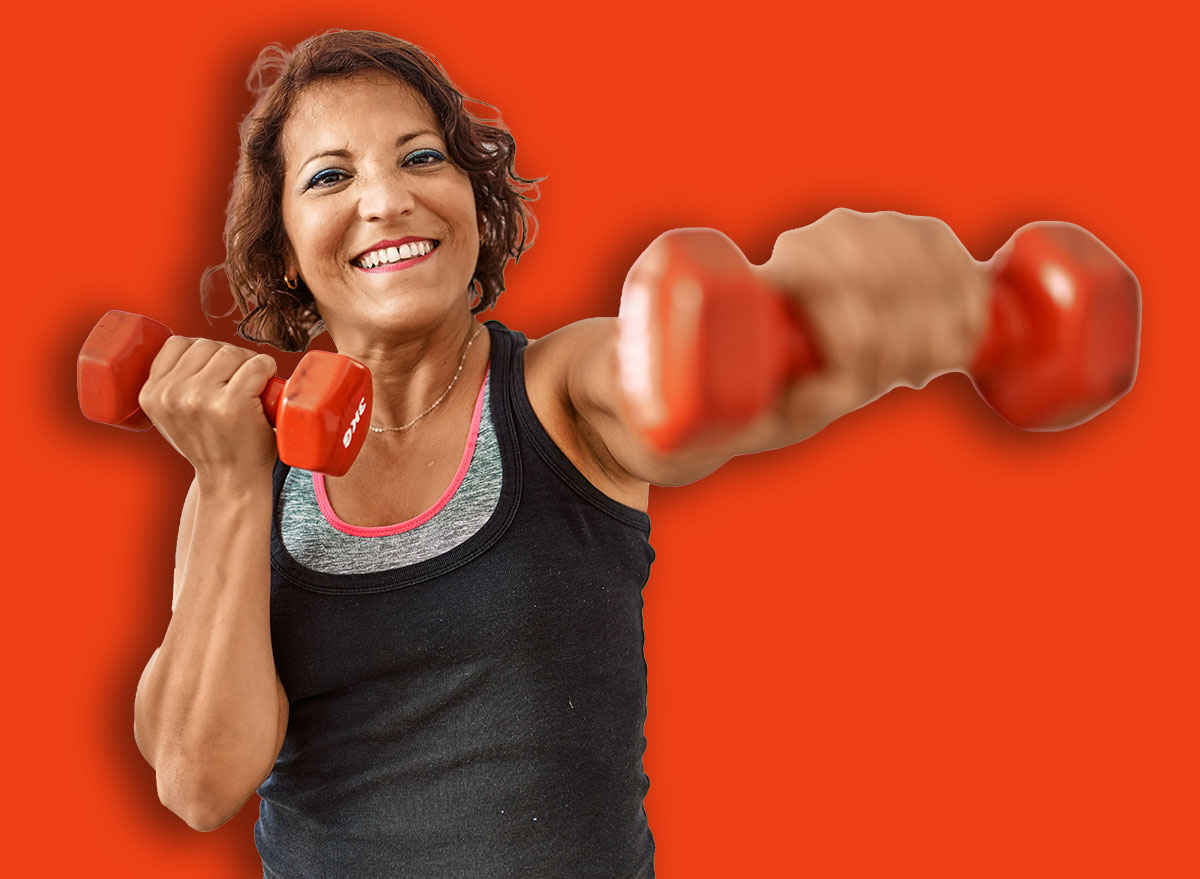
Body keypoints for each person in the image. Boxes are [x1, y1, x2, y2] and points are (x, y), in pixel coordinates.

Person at [131, 29, 986, 879]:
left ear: (475, 198)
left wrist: (809, 323)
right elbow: (199, 782)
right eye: (331, 176)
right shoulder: (242, 472)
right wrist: (234, 484)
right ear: (284, 250)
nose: (387, 199)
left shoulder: (558, 390)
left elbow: (677, 382)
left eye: (422, 159)